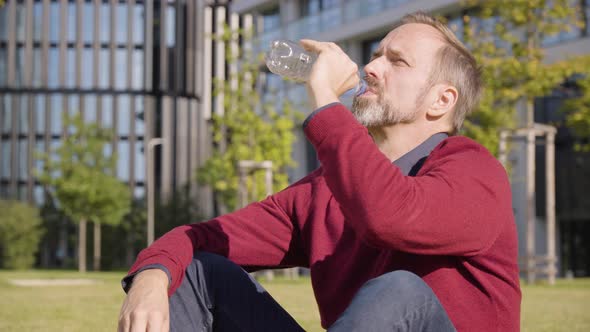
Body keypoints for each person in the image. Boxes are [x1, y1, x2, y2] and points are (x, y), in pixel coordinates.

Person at [118, 12, 521, 332]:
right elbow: (200, 237)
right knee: (197, 271)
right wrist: (151, 276)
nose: (371, 67)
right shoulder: (323, 190)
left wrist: (325, 100)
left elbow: (387, 216)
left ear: (441, 100)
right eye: (377, 55)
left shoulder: (475, 172)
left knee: (399, 290)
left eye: (396, 61)